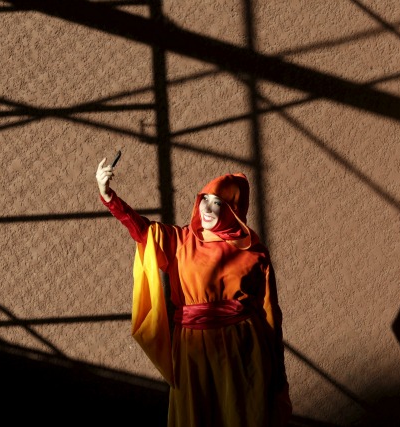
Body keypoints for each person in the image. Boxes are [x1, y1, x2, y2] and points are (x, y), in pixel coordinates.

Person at [96, 155, 292, 427]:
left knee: (242, 415)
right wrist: (109, 197)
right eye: (205, 199)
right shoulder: (180, 240)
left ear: (234, 211)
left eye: (218, 203)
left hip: (244, 351)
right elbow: (143, 232)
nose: (208, 209)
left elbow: (270, 312)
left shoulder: (255, 253)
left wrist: (278, 370)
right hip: (193, 351)